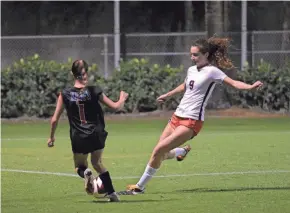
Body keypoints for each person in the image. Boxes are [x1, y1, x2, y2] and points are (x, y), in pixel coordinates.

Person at [126, 37, 263, 194]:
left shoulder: (213, 71)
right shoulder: (191, 70)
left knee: (158, 150)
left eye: (196, 55)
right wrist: (168, 95)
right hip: (177, 116)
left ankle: (139, 187)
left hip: (191, 121)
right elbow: (185, 86)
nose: (192, 58)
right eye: (191, 54)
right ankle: (181, 152)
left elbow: (234, 83)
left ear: (205, 54)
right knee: (160, 153)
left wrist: (250, 87)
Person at [47, 59, 128, 202]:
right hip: (96, 133)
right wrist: (122, 97)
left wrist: (51, 137)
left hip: (79, 136)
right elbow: (116, 107)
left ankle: (86, 174)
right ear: (86, 72)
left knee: (79, 166)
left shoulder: (64, 94)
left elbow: (54, 120)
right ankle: (112, 194)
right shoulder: (94, 90)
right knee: (97, 163)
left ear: (72, 73)